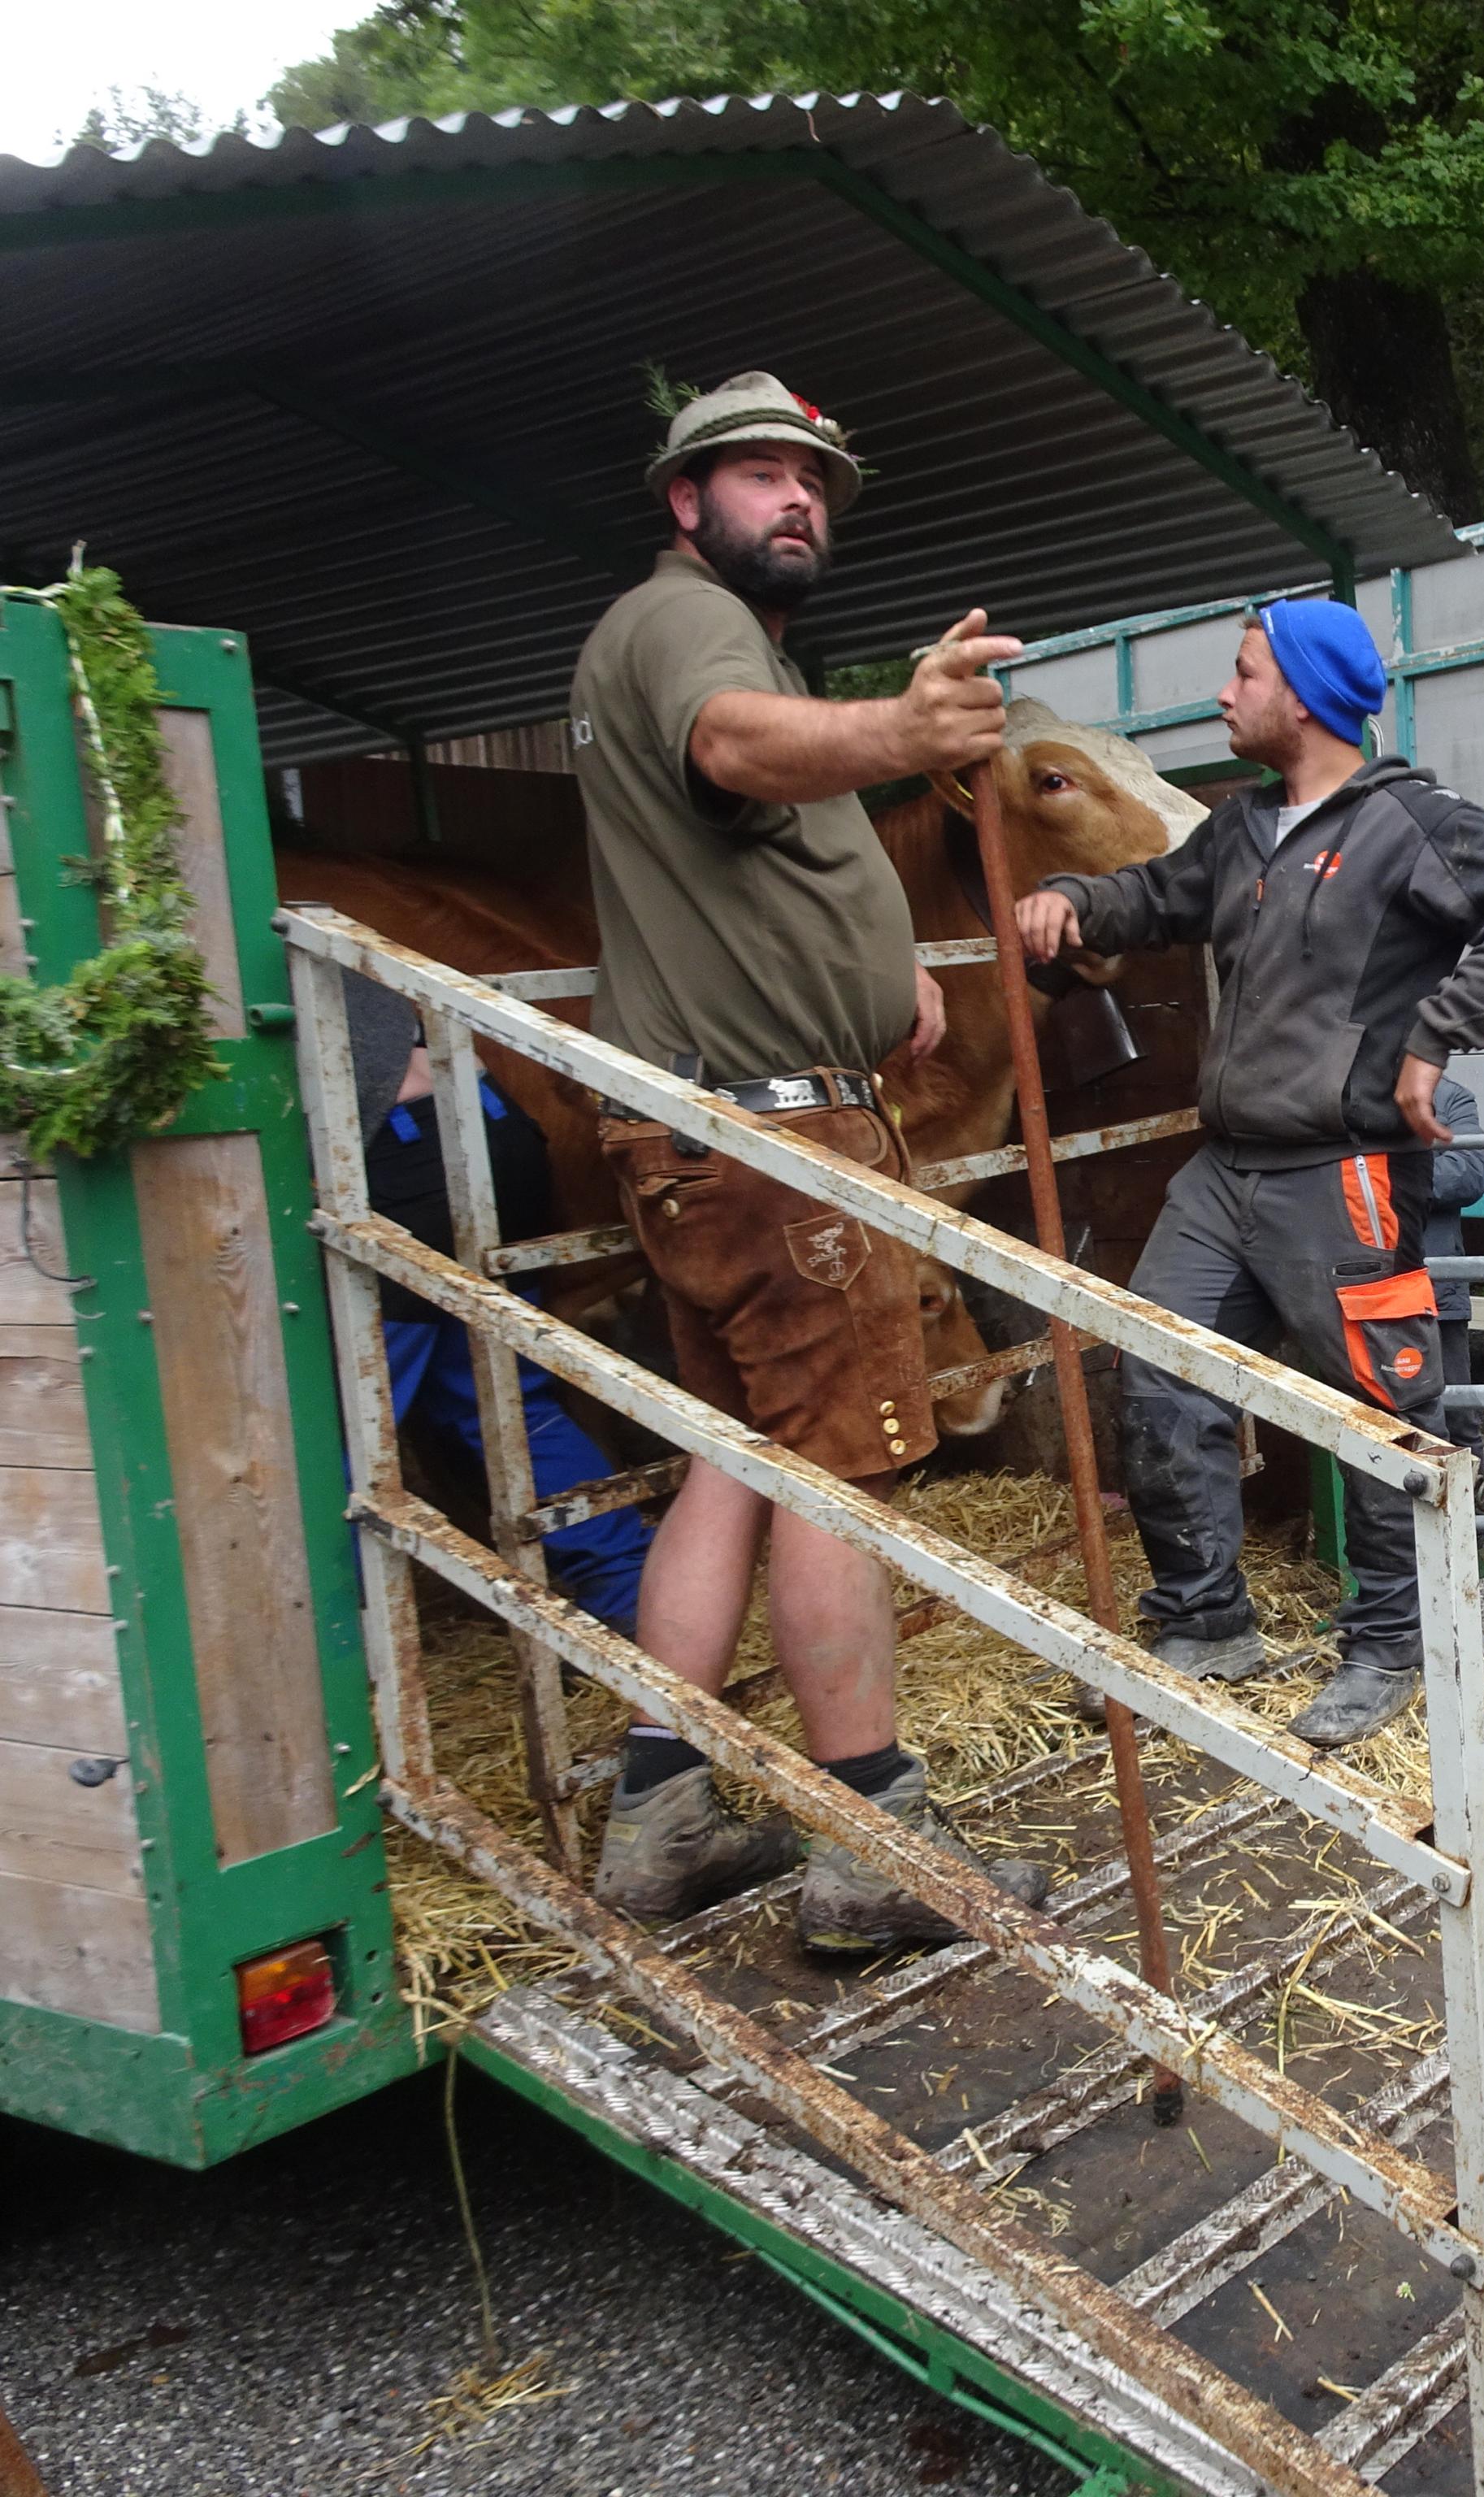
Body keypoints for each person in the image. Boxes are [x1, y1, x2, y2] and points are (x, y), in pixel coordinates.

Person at [575, 371, 1051, 1953]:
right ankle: (870, 1842)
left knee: (735, 1455)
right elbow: (733, 745)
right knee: (842, 1468)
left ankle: (659, 1808)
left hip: (708, 1132)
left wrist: (881, 970)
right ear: (684, 500)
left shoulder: (715, 641)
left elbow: (757, 826)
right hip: (774, 1146)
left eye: (813, 479)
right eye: (758, 472)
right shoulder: (687, 629)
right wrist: (905, 731)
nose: (796, 497)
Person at [1014, 600, 1484, 1746]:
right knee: (1159, 1372)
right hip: (1224, 1172)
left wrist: (1435, 1038)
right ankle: (1205, 1624)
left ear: (1308, 695)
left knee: (1376, 1412)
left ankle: (1392, 1646)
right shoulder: (1239, 830)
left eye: (1244, 674)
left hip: (1345, 1171)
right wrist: (1075, 896)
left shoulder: (1411, 823)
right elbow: (1154, 897)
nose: (1224, 695)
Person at [343, 976, 649, 1635]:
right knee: (501, 1397)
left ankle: (329, 1636)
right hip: (491, 1122)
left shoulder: (218, 946)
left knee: (349, 1419)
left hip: (406, 1154)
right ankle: (633, 1595)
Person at [1425, 1074, 1484, 1457]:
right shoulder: (1348, 1087)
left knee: (1457, 1422)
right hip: (1366, 1285)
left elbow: (1470, 1173)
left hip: (1435, 1287)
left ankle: (1472, 1494)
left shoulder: (1450, 1097)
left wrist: (1388, 1178)